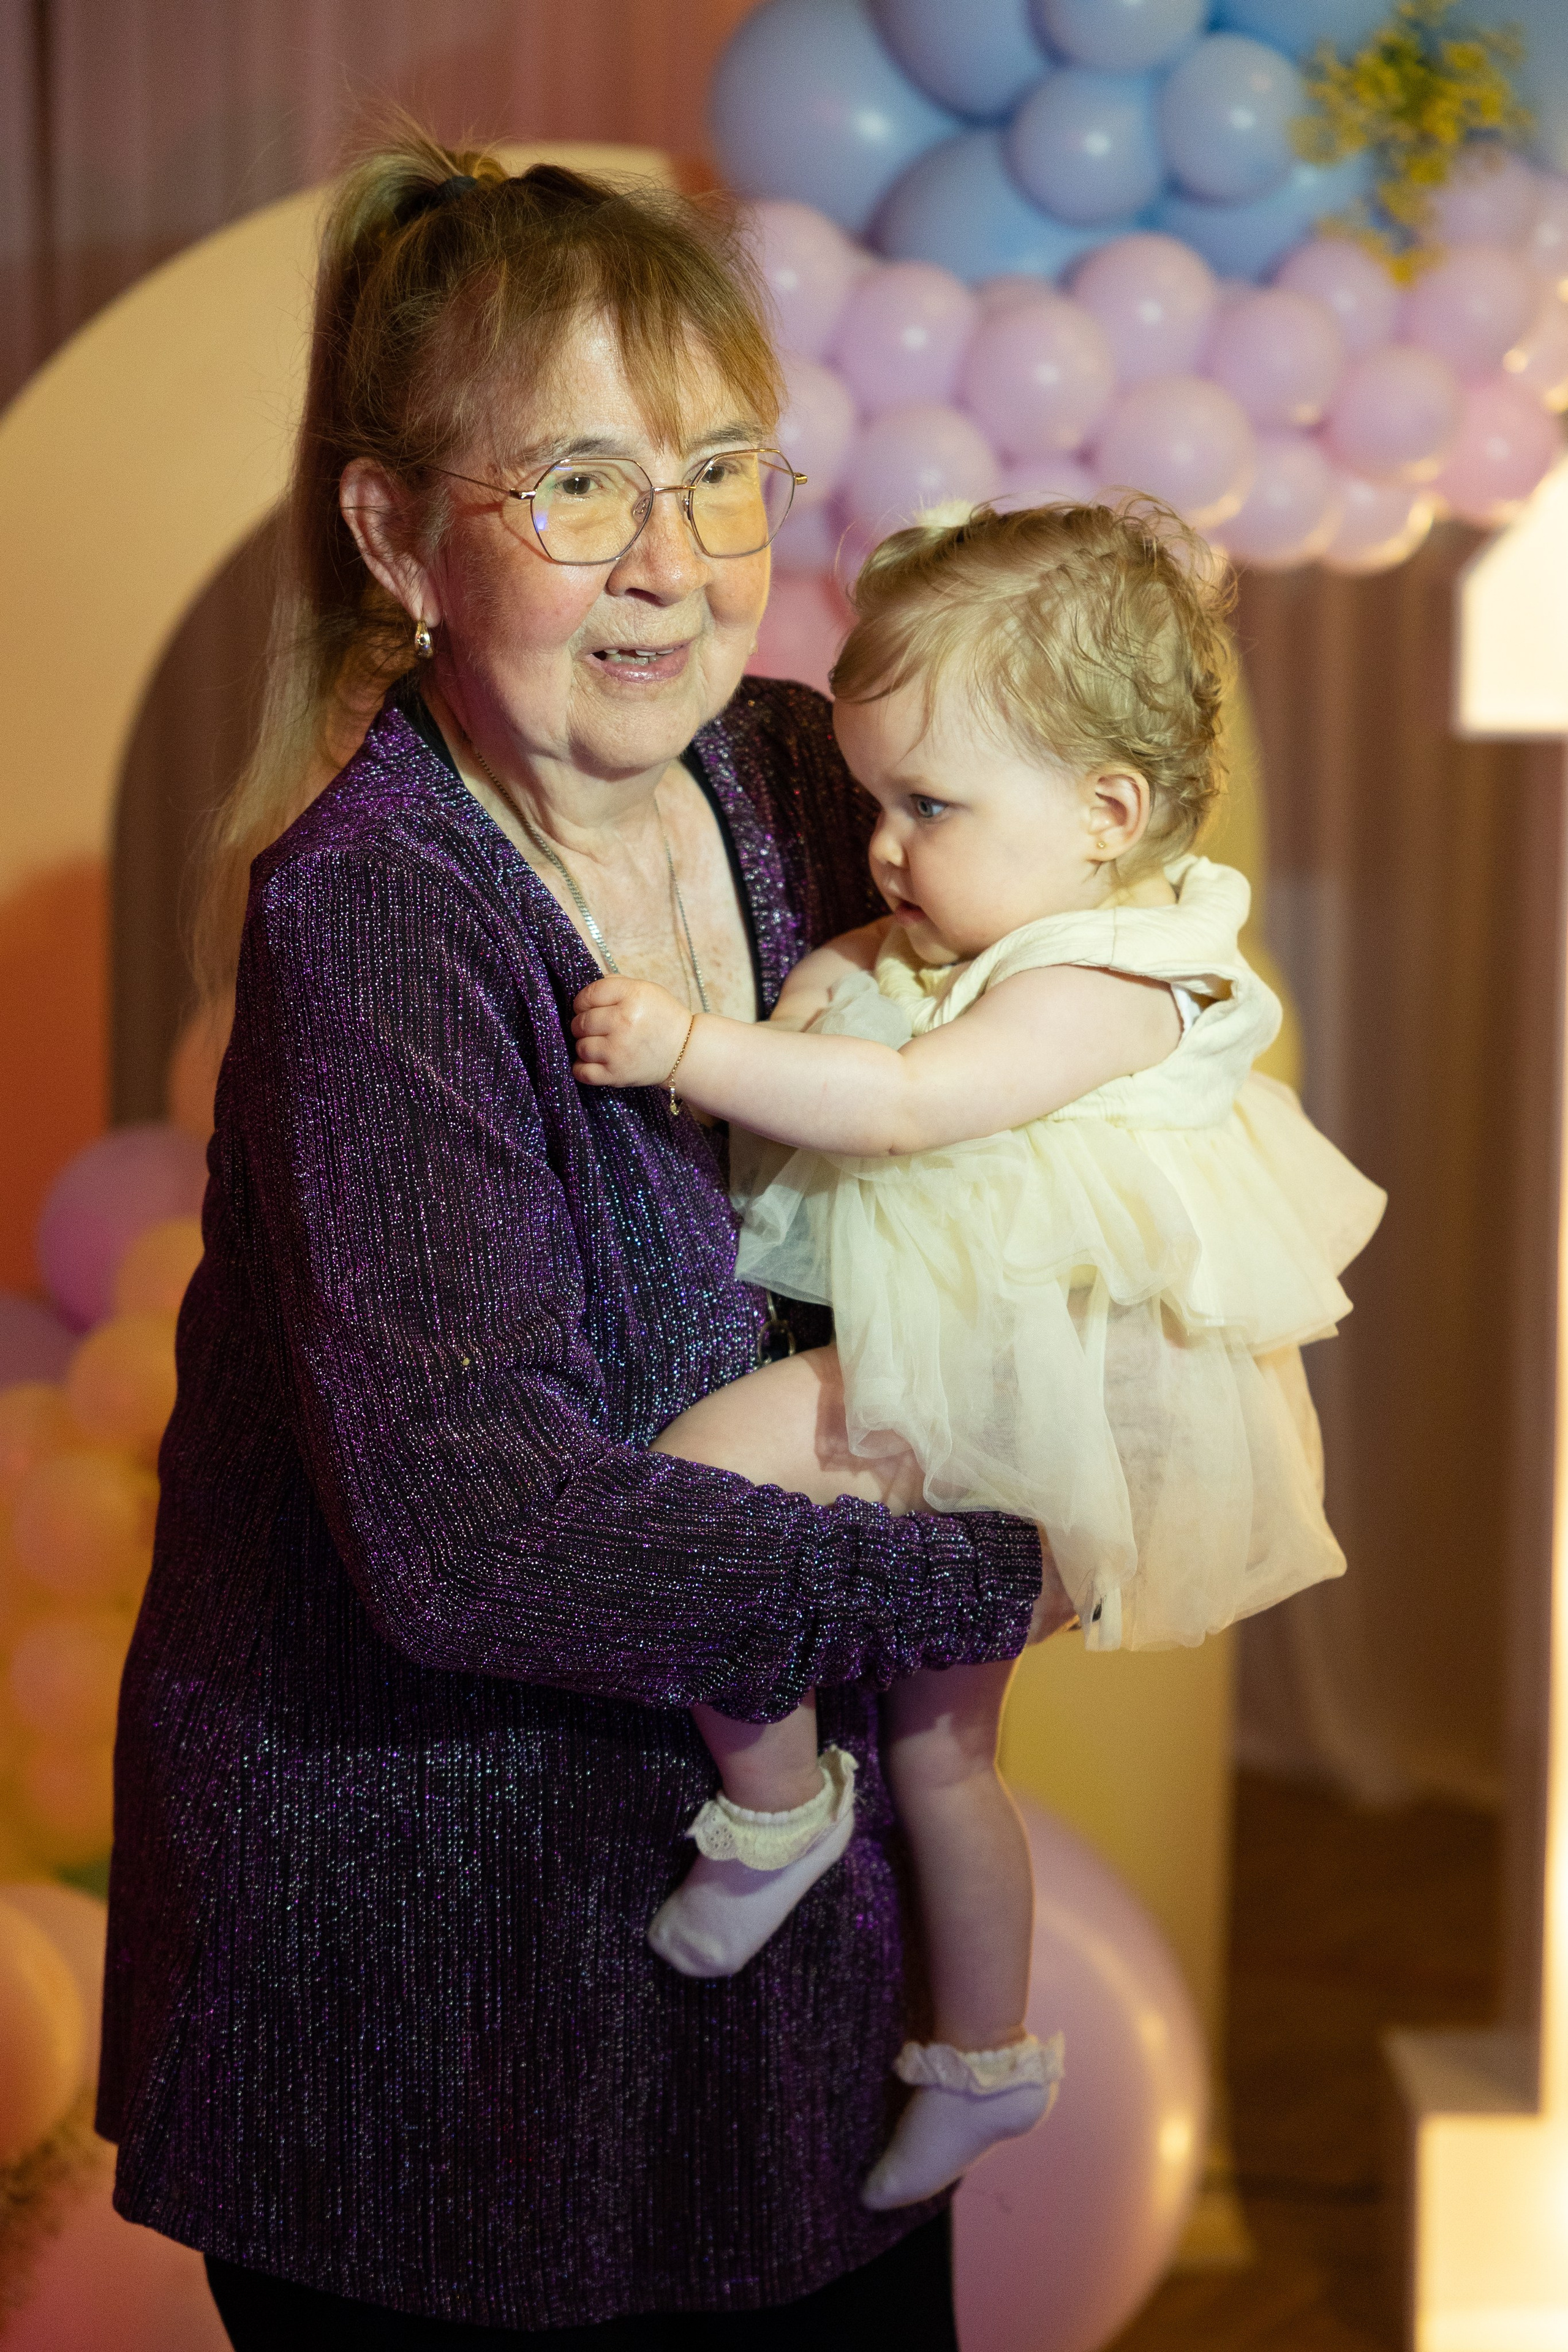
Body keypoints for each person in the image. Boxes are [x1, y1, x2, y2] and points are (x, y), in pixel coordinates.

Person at [97, 139, 1072, 2350]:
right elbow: (488, 1543)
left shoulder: (823, 780)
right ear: (395, 536)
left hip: (792, 1979)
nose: (674, 565)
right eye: (577, 488)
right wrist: (999, 1565)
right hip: (444, 1992)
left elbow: (1070, 1088)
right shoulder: (376, 918)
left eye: (722, 473)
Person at [572, 499, 1387, 2212]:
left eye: (929, 807)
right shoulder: (1010, 922)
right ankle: (992, 2062)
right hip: (986, 1376)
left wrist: (691, 1044)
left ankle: (779, 1800)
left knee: (690, 1490)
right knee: (947, 1758)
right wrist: (835, 977)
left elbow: (913, 1103)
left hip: (1023, 1394)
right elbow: (879, 989)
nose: (881, 843)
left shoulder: (1117, 982)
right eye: (876, 800)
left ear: (1107, 816)